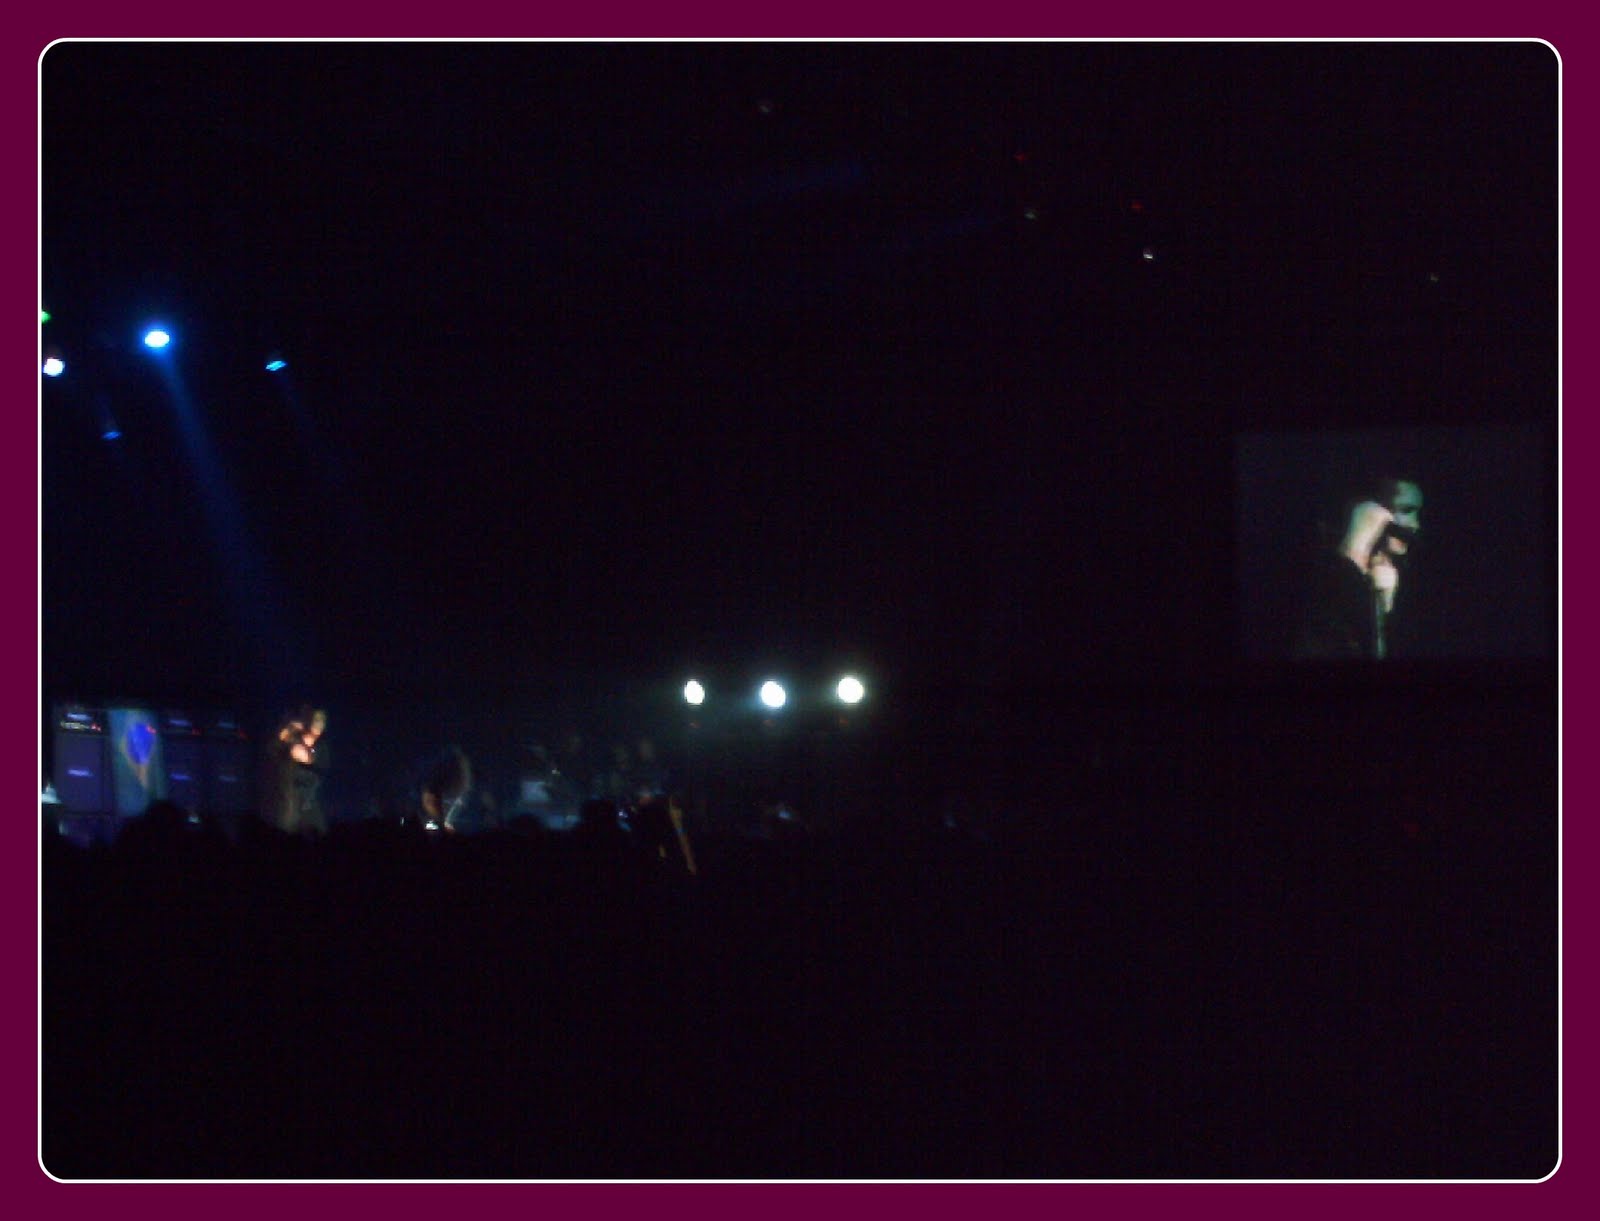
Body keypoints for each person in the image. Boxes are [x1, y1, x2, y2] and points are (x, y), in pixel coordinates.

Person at [1293, 478, 1424, 659]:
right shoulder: (1314, 573)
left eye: (1417, 513)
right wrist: (1354, 551)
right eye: (1406, 510)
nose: (1415, 525)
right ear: (1370, 509)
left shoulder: (1411, 581)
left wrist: (1386, 606)